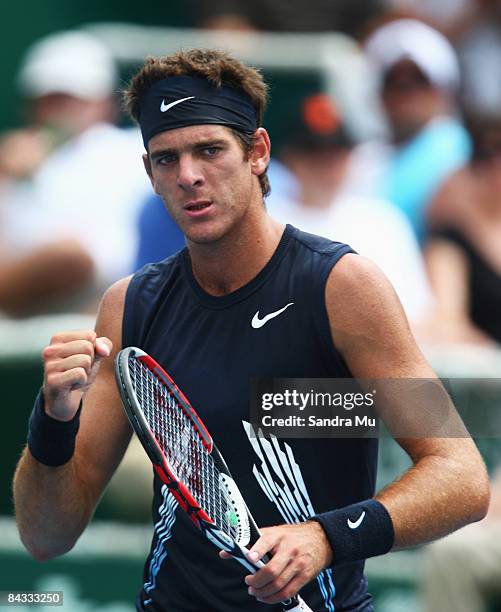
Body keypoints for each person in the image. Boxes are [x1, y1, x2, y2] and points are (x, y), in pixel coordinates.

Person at [13, 49, 489, 612]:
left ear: (258, 153)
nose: (189, 175)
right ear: (149, 173)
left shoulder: (343, 287)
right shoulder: (129, 307)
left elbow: (461, 476)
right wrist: (52, 422)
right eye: (166, 159)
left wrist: (327, 538)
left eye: (209, 150)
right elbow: (46, 537)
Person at [0, 31, 151, 316]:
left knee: (70, 257)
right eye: (46, 100)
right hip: (29, 307)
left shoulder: (133, 148)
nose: (55, 111)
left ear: (103, 102)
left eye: (69, 99)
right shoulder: (14, 160)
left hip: (113, 297)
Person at [363, 18, 471, 242]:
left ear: (442, 91)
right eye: (394, 84)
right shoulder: (362, 156)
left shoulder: (457, 149)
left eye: (419, 83)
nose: (405, 97)